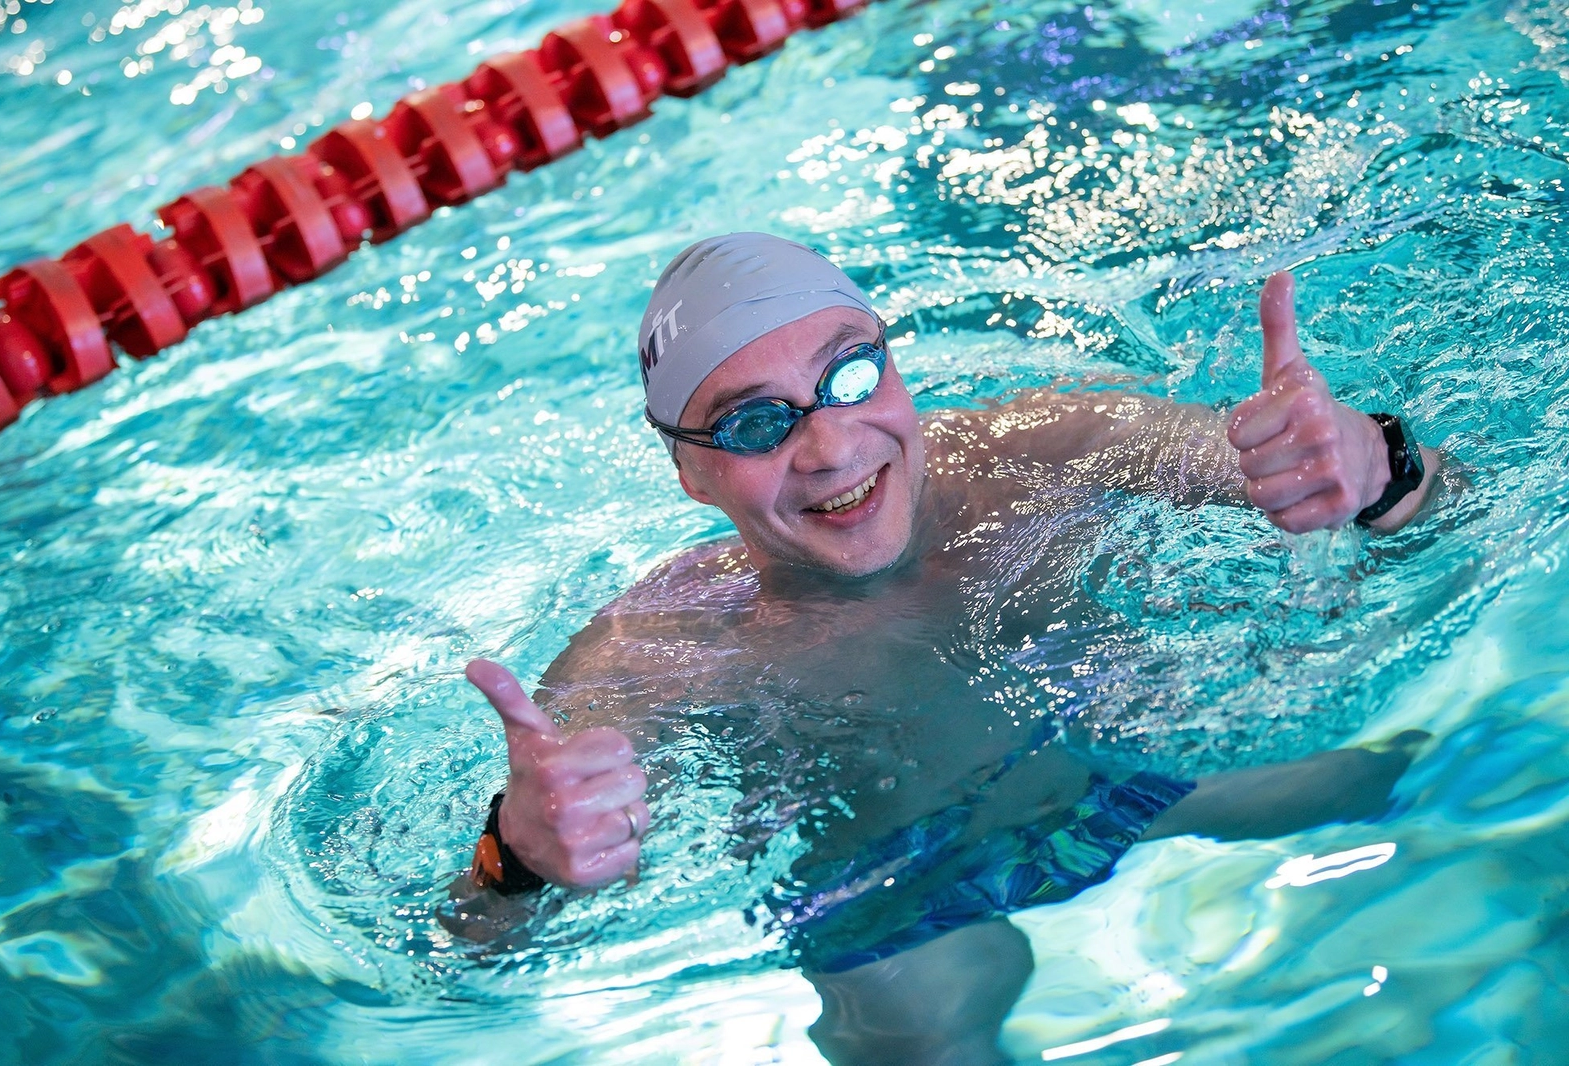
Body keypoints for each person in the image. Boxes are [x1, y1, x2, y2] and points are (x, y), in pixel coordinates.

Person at [448, 233, 1439, 1065]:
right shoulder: (654, 651)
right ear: (692, 474)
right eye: (753, 424)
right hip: (899, 896)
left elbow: (1436, 501)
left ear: (894, 364)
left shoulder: (1058, 448)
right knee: (921, 1040)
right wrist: (518, 859)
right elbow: (462, 953)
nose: (831, 447)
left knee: (1393, 781)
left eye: (849, 374)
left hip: (1129, 775)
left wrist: (1378, 469)